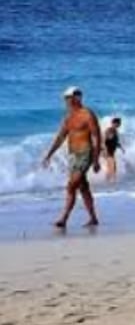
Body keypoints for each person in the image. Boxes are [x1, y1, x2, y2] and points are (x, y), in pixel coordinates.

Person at [39, 87, 102, 229]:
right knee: (83, 187)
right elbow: (61, 137)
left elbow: (97, 136)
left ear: (76, 98)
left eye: (68, 98)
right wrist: (49, 154)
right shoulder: (68, 117)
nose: (66, 101)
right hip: (73, 155)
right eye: (65, 98)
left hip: (86, 153)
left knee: (71, 185)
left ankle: (63, 218)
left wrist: (96, 159)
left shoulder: (88, 114)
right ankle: (93, 218)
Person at [101, 116, 123, 185]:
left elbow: (114, 141)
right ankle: (113, 182)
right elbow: (103, 140)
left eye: (120, 123)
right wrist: (105, 150)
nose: (120, 125)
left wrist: (120, 146)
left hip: (111, 151)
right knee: (112, 166)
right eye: (119, 123)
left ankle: (107, 181)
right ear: (114, 123)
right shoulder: (109, 130)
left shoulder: (115, 131)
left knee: (111, 166)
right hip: (107, 151)